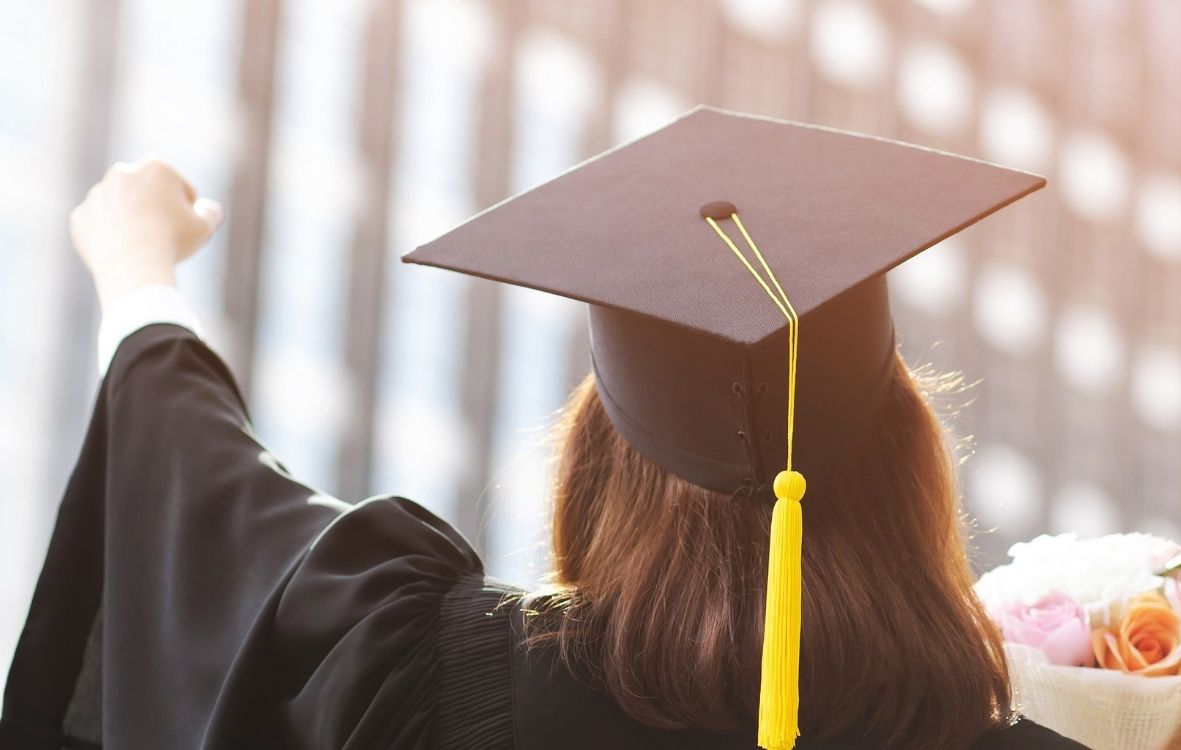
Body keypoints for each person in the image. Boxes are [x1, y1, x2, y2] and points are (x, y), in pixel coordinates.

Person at [2, 109, 1086, 749]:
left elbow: (210, 500)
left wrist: (140, 276)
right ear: (909, 467)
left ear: (599, 465)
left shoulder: (430, 673)